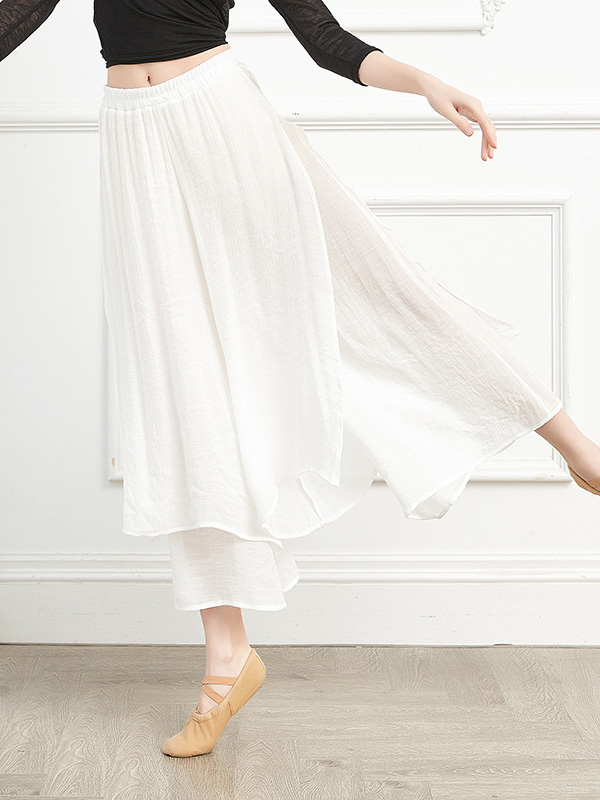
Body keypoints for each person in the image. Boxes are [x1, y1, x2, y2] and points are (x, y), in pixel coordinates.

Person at [2, 0, 599, 759]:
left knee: (382, 298)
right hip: (136, 142)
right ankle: (227, 658)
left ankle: (575, 444)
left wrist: (425, 82)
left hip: (223, 124)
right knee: (183, 390)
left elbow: (324, 39)